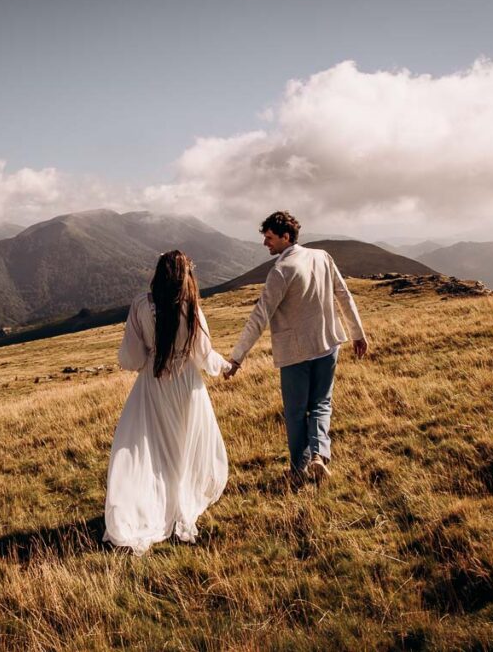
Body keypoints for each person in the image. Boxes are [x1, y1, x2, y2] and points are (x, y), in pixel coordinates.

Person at [103, 250, 231, 555]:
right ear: (186, 274)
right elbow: (203, 353)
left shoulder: (140, 305)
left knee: (147, 449)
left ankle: (146, 506)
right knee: (183, 447)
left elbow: (131, 358)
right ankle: (178, 502)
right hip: (187, 384)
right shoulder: (192, 306)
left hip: (154, 383)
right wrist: (224, 366)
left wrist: (150, 356)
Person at [226, 211, 367, 485]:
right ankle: (318, 455)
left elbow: (260, 316)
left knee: (295, 412)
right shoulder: (322, 256)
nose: (266, 244)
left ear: (285, 237)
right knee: (321, 404)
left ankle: (298, 470)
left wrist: (237, 358)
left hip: (295, 353)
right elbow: (343, 294)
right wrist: (357, 333)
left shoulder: (281, 270)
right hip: (328, 345)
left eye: (269, 238)